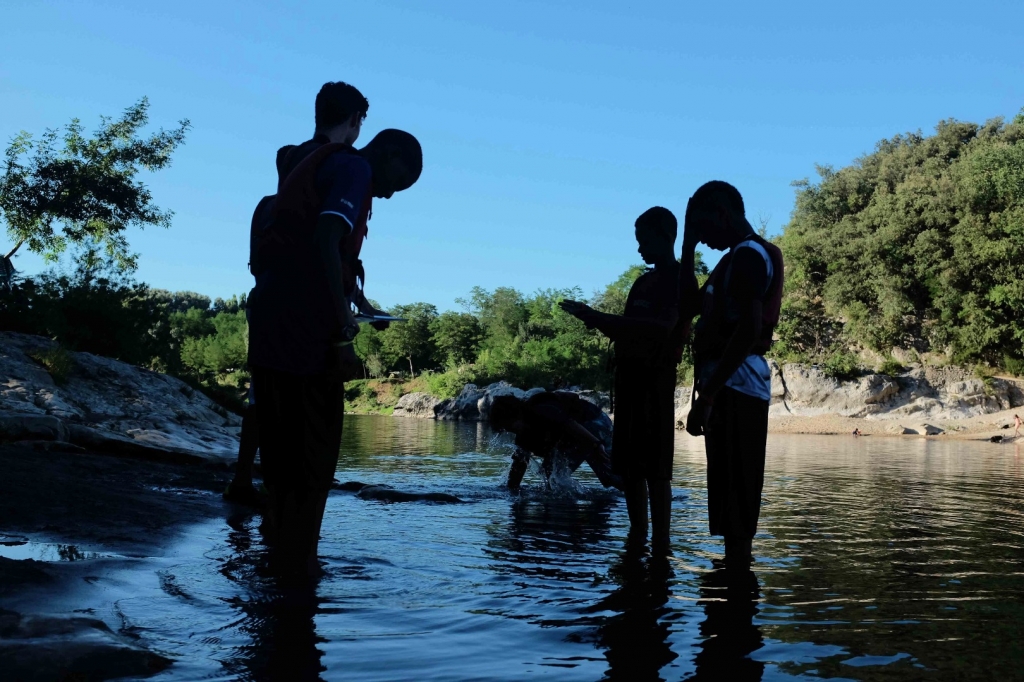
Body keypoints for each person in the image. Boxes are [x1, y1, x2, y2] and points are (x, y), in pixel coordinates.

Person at [247, 81, 423, 579]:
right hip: (308, 341)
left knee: (280, 461)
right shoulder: (352, 166)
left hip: (270, 326)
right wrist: (343, 338)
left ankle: (277, 568)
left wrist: (359, 302)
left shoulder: (303, 162)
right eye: (398, 181)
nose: (388, 193)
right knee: (313, 462)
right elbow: (326, 238)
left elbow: (308, 246)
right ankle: (301, 572)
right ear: (383, 151)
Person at [559, 207, 680, 550]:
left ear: (666, 236)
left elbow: (663, 329)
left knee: (656, 469)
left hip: (654, 384)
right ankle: (637, 536)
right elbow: (629, 329)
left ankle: (661, 542)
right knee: (630, 469)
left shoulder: (679, 279)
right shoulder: (642, 281)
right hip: (627, 384)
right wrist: (592, 318)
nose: (639, 249)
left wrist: (598, 316)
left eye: (644, 241)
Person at [678, 181, 784, 568]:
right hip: (727, 386)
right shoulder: (731, 260)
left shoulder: (748, 257)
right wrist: (687, 247)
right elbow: (688, 305)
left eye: (703, 229)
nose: (703, 239)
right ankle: (729, 597)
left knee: (737, 508)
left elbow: (748, 330)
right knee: (727, 507)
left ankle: (736, 599)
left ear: (723, 215)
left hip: (737, 387)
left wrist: (707, 397)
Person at [489, 392, 621, 492]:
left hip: (594, 424)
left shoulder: (542, 410)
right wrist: (512, 489)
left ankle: (633, 489)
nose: (510, 431)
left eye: (508, 426)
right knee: (551, 474)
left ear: (516, 414)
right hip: (581, 434)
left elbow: (570, 425)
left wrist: (596, 445)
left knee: (610, 477)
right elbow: (519, 463)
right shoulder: (523, 433)